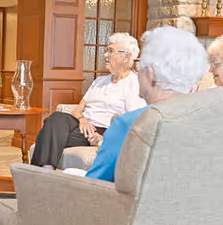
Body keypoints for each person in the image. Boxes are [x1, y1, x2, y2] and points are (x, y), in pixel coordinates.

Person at [84, 27, 209, 182]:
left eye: (139, 65)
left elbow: (94, 184)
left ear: (150, 74)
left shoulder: (129, 124)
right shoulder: (206, 122)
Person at [30, 32, 146, 168]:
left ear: (127, 57)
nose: (105, 55)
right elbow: (77, 110)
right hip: (82, 127)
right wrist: (82, 120)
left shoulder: (135, 84)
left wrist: (104, 139)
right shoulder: (99, 81)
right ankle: (44, 171)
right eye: (107, 50)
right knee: (56, 119)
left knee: (49, 133)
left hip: (104, 131)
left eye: (111, 51)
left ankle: (41, 172)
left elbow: (132, 123)